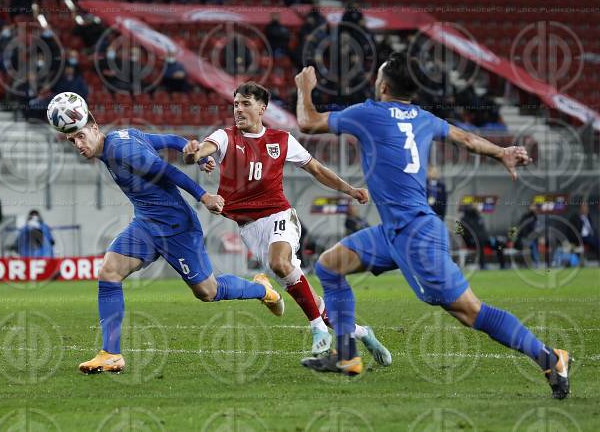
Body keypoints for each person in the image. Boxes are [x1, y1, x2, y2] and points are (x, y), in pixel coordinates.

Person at [294, 53, 571, 399]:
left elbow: (307, 122)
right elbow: (467, 140)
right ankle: (347, 355)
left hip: (415, 235)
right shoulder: (422, 117)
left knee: (471, 312)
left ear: (382, 85)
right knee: (330, 265)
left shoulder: (368, 113)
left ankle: (550, 356)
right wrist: (501, 153)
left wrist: (304, 89)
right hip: (394, 231)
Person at [56, 103, 284, 374]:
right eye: (72, 140)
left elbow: (167, 171)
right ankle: (111, 354)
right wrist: (198, 155)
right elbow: (172, 141)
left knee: (207, 292)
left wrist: (204, 196)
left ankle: (262, 289)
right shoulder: (121, 137)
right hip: (145, 225)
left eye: (81, 136)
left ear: (95, 128)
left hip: (177, 228)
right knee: (109, 272)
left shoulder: (122, 149)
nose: (78, 144)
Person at [182, 82, 391, 363]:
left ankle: (318, 332)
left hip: (280, 215)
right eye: (235, 105)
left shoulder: (281, 140)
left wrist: (350, 190)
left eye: (245, 104)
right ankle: (362, 333)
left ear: (262, 108)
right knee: (314, 303)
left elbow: (316, 169)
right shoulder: (225, 137)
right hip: (250, 229)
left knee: (281, 263)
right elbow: (202, 151)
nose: (239, 110)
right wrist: (194, 154)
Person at [460, 205, 506, 270]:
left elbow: (484, 232)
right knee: (480, 242)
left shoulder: (479, 218)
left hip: (484, 240)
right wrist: (472, 239)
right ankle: (482, 265)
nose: (477, 209)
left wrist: (489, 238)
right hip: (471, 242)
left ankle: (503, 265)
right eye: (474, 207)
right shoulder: (463, 220)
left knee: (499, 244)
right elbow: (463, 235)